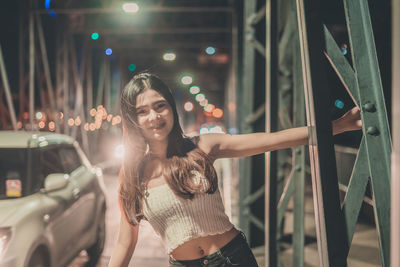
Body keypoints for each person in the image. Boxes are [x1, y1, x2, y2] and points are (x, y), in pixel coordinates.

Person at [108, 73, 362, 267]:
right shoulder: (132, 175)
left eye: (159, 106)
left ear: (171, 108)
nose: (153, 116)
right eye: (142, 112)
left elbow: (273, 139)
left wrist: (338, 126)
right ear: (134, 120)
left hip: (232, 258)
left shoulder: (202, 146)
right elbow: (124, 241)